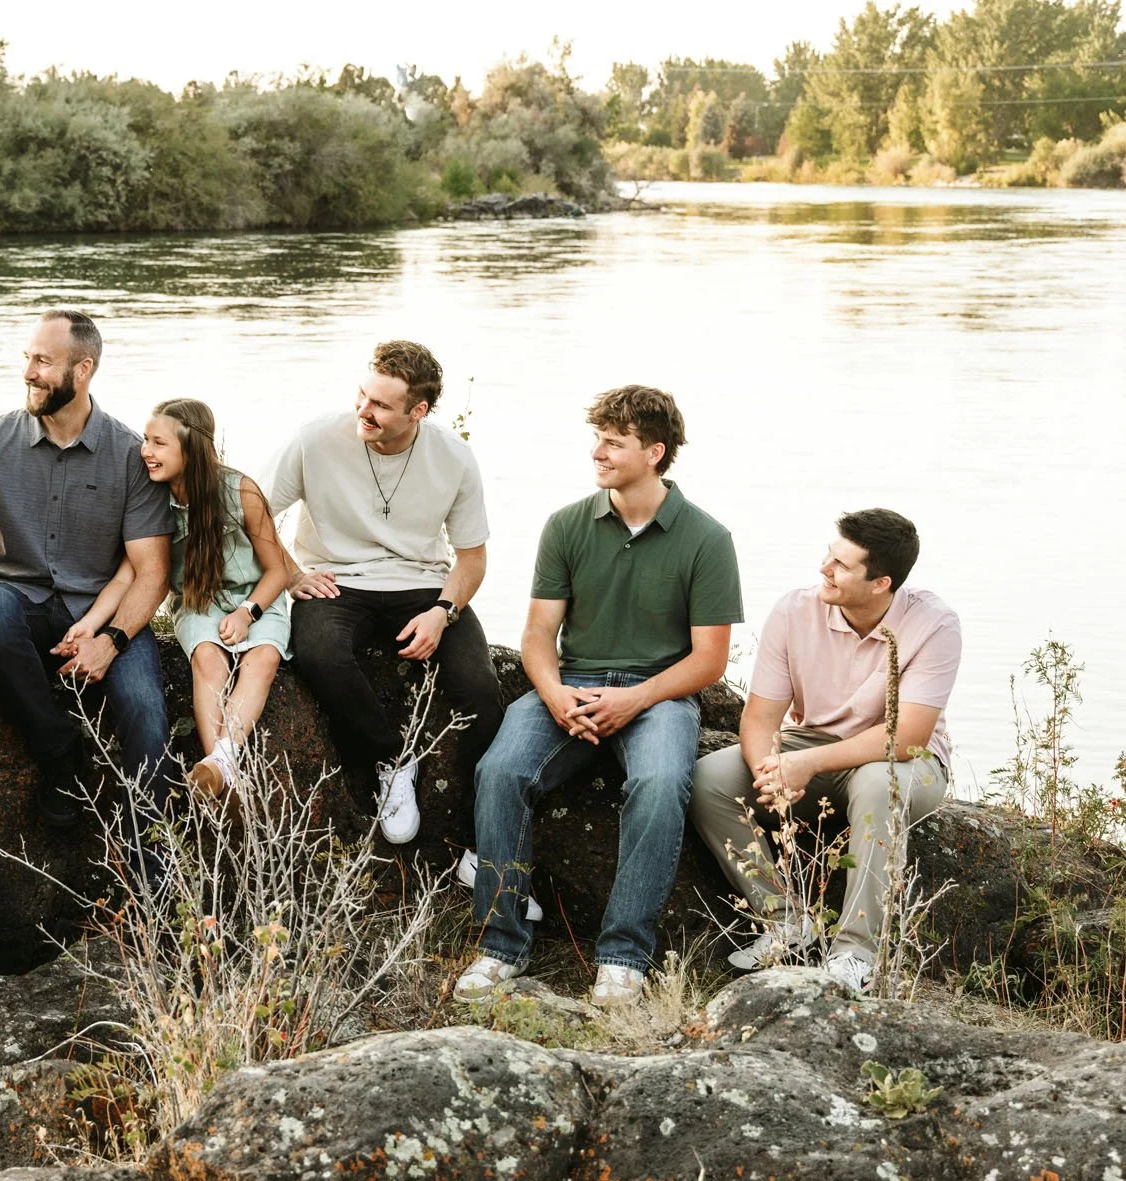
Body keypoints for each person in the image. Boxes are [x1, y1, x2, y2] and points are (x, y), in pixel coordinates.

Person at [457, 386, 742, 1007]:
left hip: (660, 699)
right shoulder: (567, 525)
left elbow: (708, 661)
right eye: (599, 439)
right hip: (572, 687)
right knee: (501, 770)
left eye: (614, 442)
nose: (599, 452)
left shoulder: (707, 539)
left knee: (663, 784)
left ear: (655, 451)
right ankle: (499, 945)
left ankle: (622, 957)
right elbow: (537, 635)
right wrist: (555, 693)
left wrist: (633, 701)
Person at [689, 509, 958, 993]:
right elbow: (760, 718)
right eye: (828, 555)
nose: (823, 569)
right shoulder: (795, 610)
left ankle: (856, 953)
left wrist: (806, 764)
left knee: (879, 784)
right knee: (710, 778)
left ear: (881, 583)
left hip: (899, 761)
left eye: (840, 565)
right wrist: (769, 773)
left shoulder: (933, 624)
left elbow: (906, 736)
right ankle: (786, 922)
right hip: (810, 744)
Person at [264, 339, 503, 845]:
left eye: (380, 405)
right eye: (362, 395)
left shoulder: (454, 457)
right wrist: (291, 574)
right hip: (336, 579)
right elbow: (253, 511)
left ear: (418, 410)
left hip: (423, 584)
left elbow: (472, 558)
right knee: (318, 654)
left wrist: (444, 610)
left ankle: (480, 839)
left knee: (480, 690)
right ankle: (392, 761)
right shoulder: (315, 439)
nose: (363, 411)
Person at [0, 309, 175, 831]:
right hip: (17, 606)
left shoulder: (128, 456)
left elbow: (152, 573)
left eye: (43, 362)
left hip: (102, 611)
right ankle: (59, 750)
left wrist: (112, 639)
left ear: (83, 370)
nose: (29, 372)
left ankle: (154, 872)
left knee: (145, 709)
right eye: (27, 358)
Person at [133, 398, 292, 797]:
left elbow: (278, 570)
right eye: (145, 440)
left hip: (255, 597)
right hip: (196, 600)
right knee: (206, 656)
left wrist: (247, 612)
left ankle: (218, 764)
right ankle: (221, 767)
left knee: (264, 657)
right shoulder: (148, 498)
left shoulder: (241, 491)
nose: (146, 452)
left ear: (191, 450)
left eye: (158, 443)